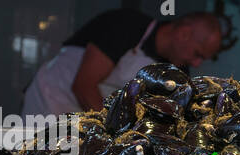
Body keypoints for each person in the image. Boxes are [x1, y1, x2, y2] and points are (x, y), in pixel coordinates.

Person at [21, 9, 222, 116]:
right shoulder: (126, 26)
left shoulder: (178, 71)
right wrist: (114, 131)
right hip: (50, 102)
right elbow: (83, 86)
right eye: (198, 54)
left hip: (88, 118)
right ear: (184, 34)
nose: (196, 63)